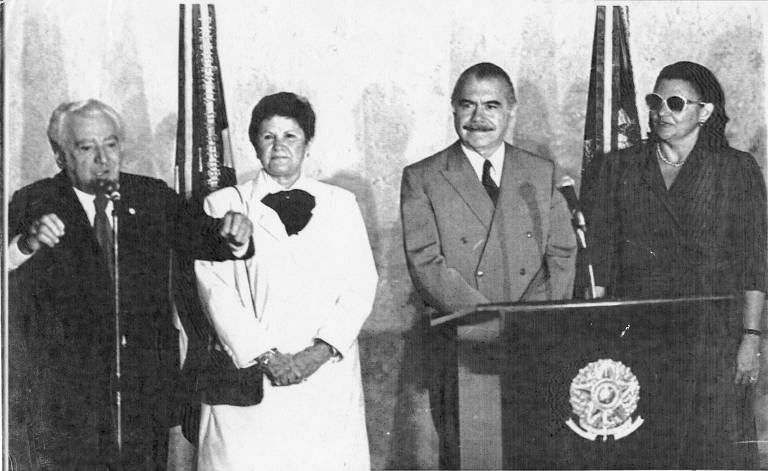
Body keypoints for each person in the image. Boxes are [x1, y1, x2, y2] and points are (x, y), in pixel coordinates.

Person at [7, 99, 253, 470]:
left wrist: (236, 235)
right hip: (67, 397)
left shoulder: (151, 196)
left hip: (144, 389)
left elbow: (205, 237)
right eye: (87, 147)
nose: (104, 158)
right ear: (60, 155)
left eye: (111, 144)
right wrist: (26, 244)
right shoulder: (33, 203)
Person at [584, 61, 766, 468]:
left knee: (715, 449)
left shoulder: (736, 170)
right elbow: (599, 259)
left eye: (676, 103)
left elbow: (755, 260)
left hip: (712, 337)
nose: (662, 111)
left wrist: (750, 337)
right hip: (639, 334)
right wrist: (597, 338)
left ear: (704, 111)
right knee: (647, 448)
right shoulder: (618, 168)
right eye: (656, 101)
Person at [400, 62, 577, 469]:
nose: (479, 118)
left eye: (492, 106)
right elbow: (426, 262)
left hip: (532, 341)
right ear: (453, 109)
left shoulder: (541, 172)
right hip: (465, 342)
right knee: (474, 458)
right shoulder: (423, 177)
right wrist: (489, 321)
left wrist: (526, 320)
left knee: (534, 455)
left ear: (510, 110)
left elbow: (563, 254)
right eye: (468, 105)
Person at [194, 92, 378, 471]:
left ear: (307, 143)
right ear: (254, 143)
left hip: (325, 379)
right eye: (268, 136)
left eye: (290, 136)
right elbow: (215, 291)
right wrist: (267, 356)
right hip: (255, 380)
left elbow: (361, 285)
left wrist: (319, 352)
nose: (279, 146)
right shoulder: (222, 204)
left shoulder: (341, 204)